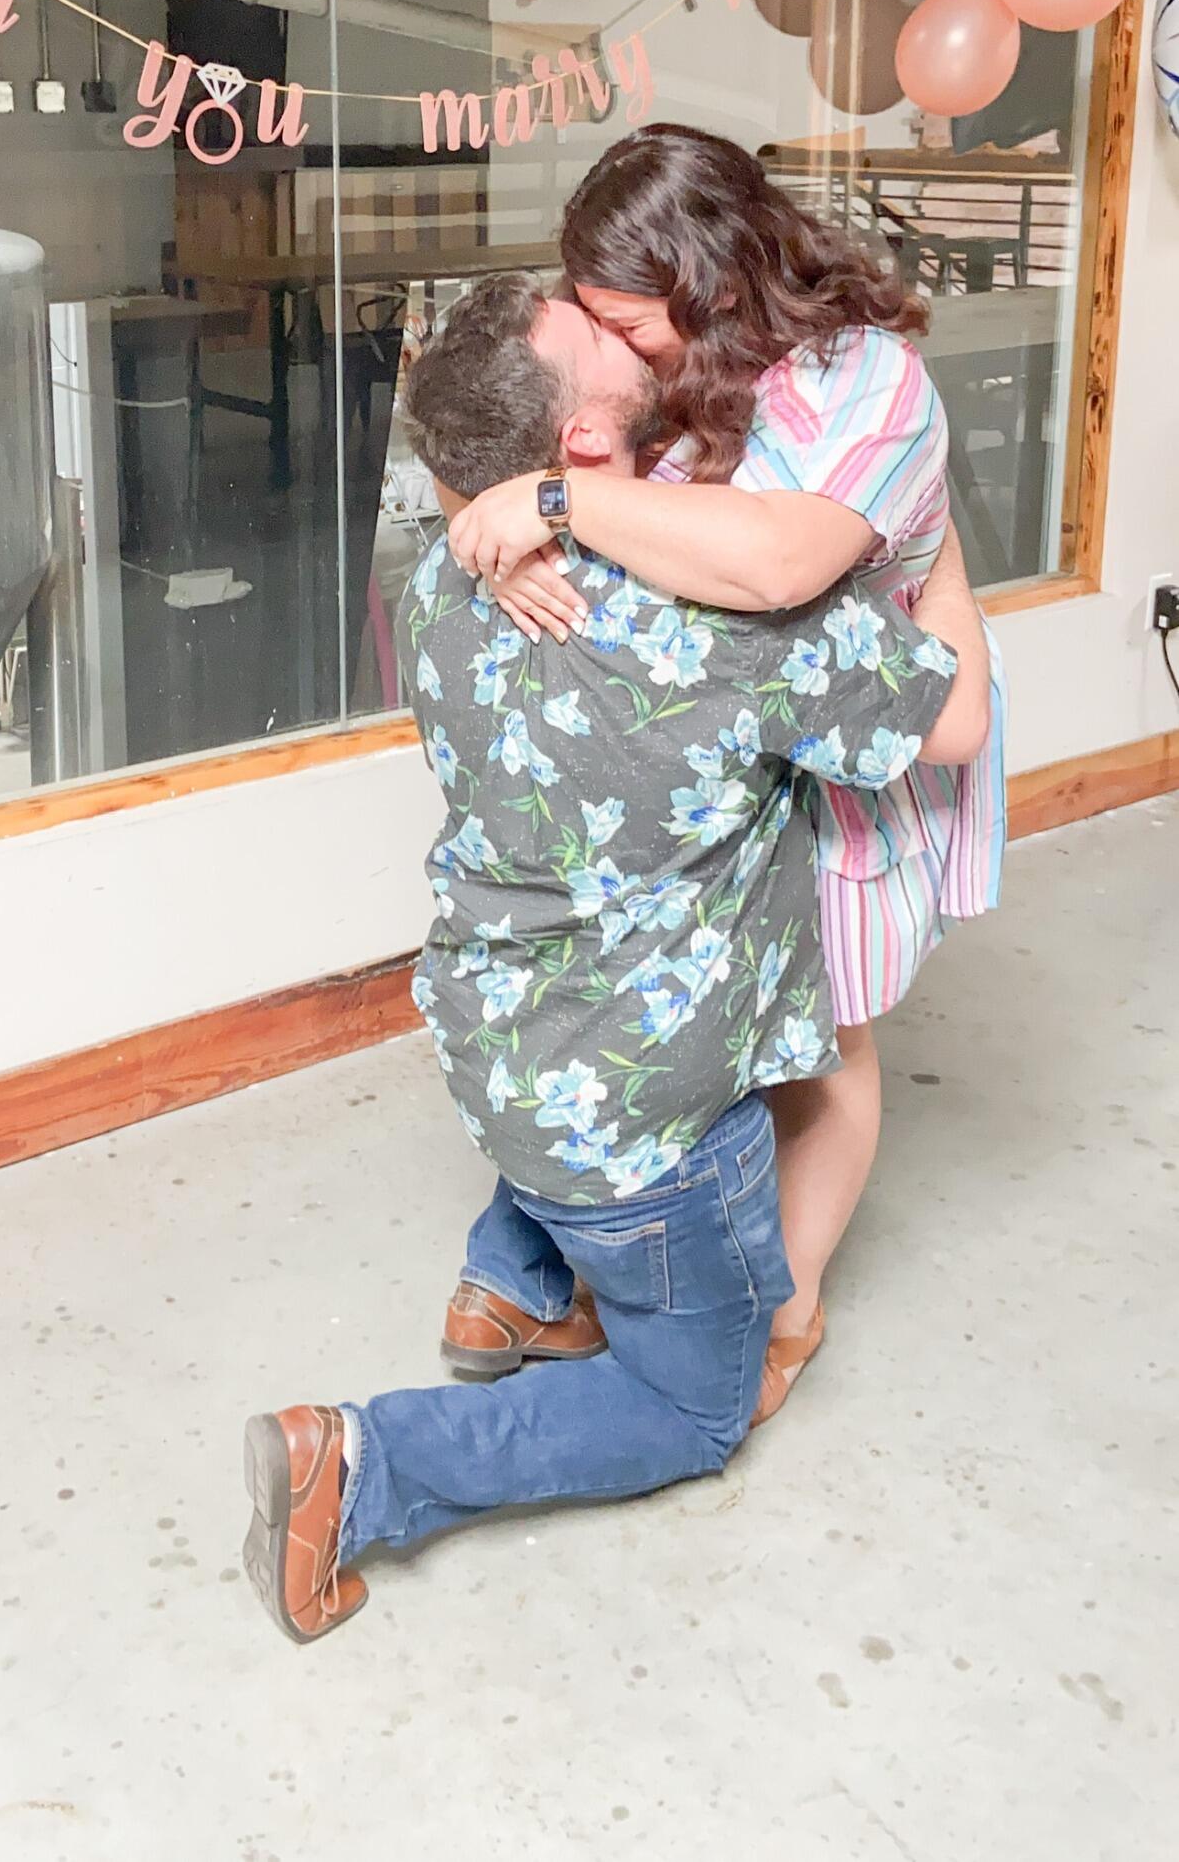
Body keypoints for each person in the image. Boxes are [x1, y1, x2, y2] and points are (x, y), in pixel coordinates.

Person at [242, 273, 989, 1644]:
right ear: (582, 443)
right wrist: (918, 538)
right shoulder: (723, 625)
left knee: (572, 1087)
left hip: (488, 1038)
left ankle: (508, 1276)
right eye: (607, 340)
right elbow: (948, 725)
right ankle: (367, 1469)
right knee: (687, 1406)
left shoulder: (444, 575)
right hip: (647, 1136)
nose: (646, 334)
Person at [444, 125, 1008, 1418]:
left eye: (629, 325)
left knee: (820, 1046)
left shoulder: (861, 382)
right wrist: (512, 507)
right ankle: (606, 1267)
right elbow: (496, 412)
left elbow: (772, 569)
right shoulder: (659, 363)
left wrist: (552, 507)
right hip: (713, 768)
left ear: (708, 285)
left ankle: (788, 1304)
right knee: (687, 1027)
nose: (617, 351)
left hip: (847, 751)